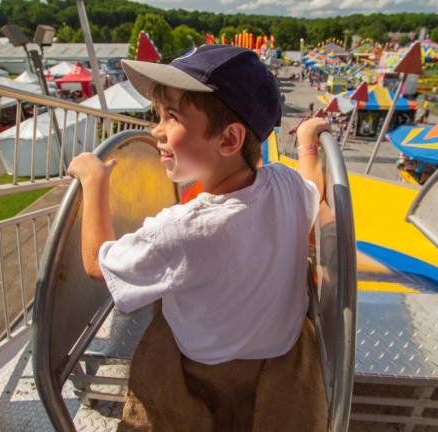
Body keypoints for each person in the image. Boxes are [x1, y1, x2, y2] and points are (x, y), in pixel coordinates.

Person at [67, 44, 328, 431]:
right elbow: (313, 187)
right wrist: (308, 142)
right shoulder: (285, 184)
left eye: (171, 117)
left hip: (202, 364)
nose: (156, 129)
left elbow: (97, 265)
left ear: (228, 140)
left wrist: (94, 182)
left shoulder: (184, 228)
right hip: (280, 353)